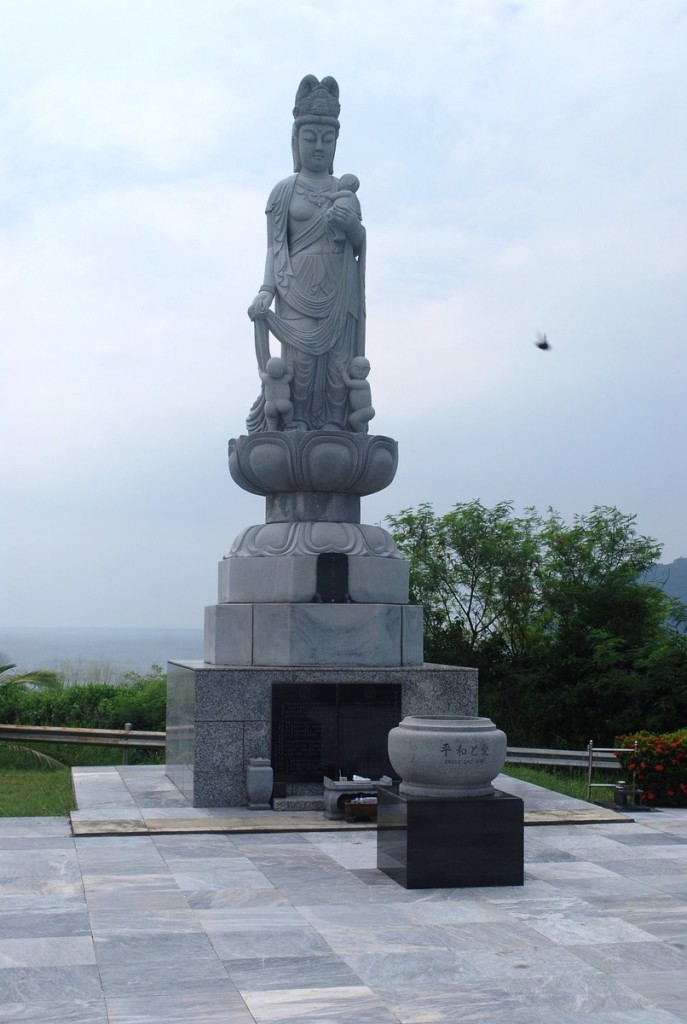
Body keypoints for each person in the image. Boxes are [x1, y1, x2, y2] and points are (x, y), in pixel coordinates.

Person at [247, 75, 366, 432]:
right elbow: (274, 245)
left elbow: (359, 245)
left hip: (337, 285)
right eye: (310, 138)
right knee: (298, 363)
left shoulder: (344, 192)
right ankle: (294, 419)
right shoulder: (284, 191)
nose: (318, 147)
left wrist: (352, 228)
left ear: (336, 143)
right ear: (296, 140)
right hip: (294, 284)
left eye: (327, 140)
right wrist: (267, 289)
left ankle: (333, 423)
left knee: (335, 363)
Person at [259, 356, 294, 431]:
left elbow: (261, 374)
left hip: (269, 404)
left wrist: (259, 368)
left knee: (271, 420)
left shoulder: (266, 379)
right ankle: (289, 423)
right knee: (288, 410)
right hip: (283, 402)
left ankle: (272, 430)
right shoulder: (285, 379)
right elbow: (291, 374)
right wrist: (290, 366)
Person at [342, 356, 375, 433]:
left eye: (364, 370)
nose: (360, 372)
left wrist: (343, 372)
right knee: (357, 420)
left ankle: (362, 434)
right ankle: (363, 431)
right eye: (357, 369)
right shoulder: (358, 381)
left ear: (369, 370)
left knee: (353, 419)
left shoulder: (364, 383)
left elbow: (348, 383)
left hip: (367, 410)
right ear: (351, 368)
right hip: (362, 410)